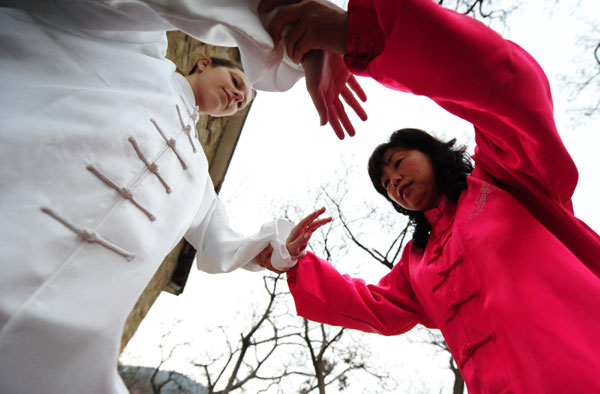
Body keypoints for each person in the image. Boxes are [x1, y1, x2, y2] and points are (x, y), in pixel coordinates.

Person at [0, 1, 360, 393]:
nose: (236, 99)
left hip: (65, 336)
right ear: (204, 63)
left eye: (241, 103)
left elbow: (221, 243)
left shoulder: (195, 176)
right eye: (238, 84)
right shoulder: (133, 52)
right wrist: (297, 31)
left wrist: (277, 249)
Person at [257, 0, 600, 392]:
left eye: (399, 162)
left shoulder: (507, 179)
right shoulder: (418, 266)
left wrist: (362, 34)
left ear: (434, 152)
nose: (394, 181)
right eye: (386, 184)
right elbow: (372, 306)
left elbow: (511, 87)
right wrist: (294, 261)